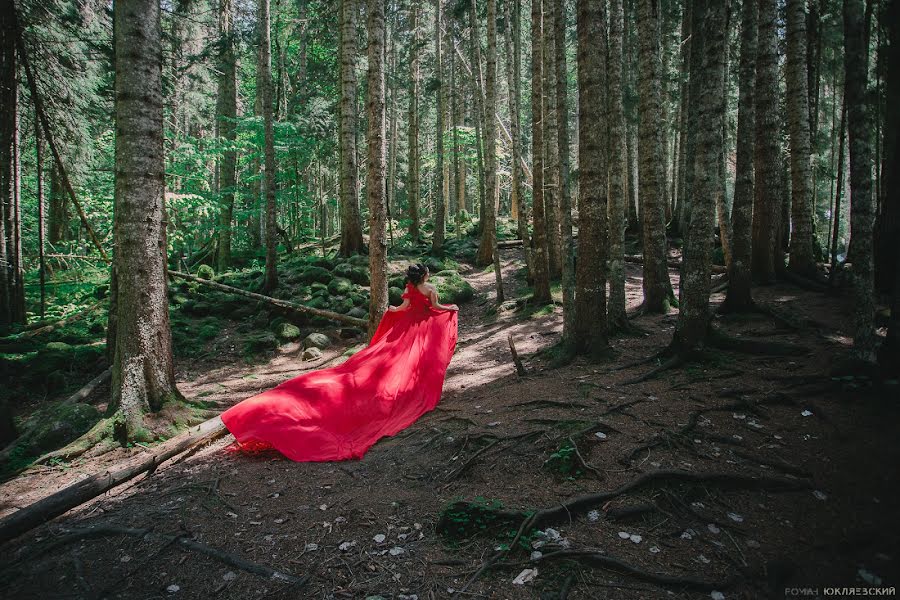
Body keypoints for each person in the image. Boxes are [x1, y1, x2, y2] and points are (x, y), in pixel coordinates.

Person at [220, 263, 459, 462]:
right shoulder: (430, 288)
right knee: (412, 360)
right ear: (425, 275)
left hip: (407, 325)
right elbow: (436, 307)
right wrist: (451, 309)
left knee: (397, 357)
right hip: (419, 327)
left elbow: (404, 307)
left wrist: (393, 311)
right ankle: (413, 386)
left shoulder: (409, 288)